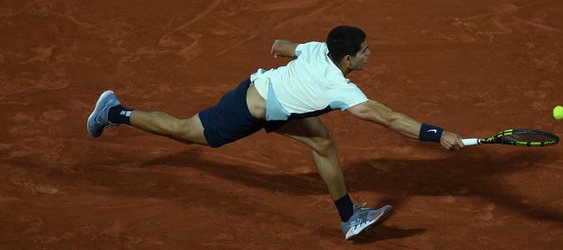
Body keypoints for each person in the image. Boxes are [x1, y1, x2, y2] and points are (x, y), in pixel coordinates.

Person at [86, 26, 464, 240]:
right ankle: (116, 112)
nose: (370, 54)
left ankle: (349, 217)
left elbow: (281, 46)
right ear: (347, 59)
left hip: (278, 104)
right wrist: (438, 134)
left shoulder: (320, 49)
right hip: (247, 109)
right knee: (185, 131)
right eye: (364, 51)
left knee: (322, 141)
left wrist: (286, 60)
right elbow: (390, 119)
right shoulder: (340, 88)